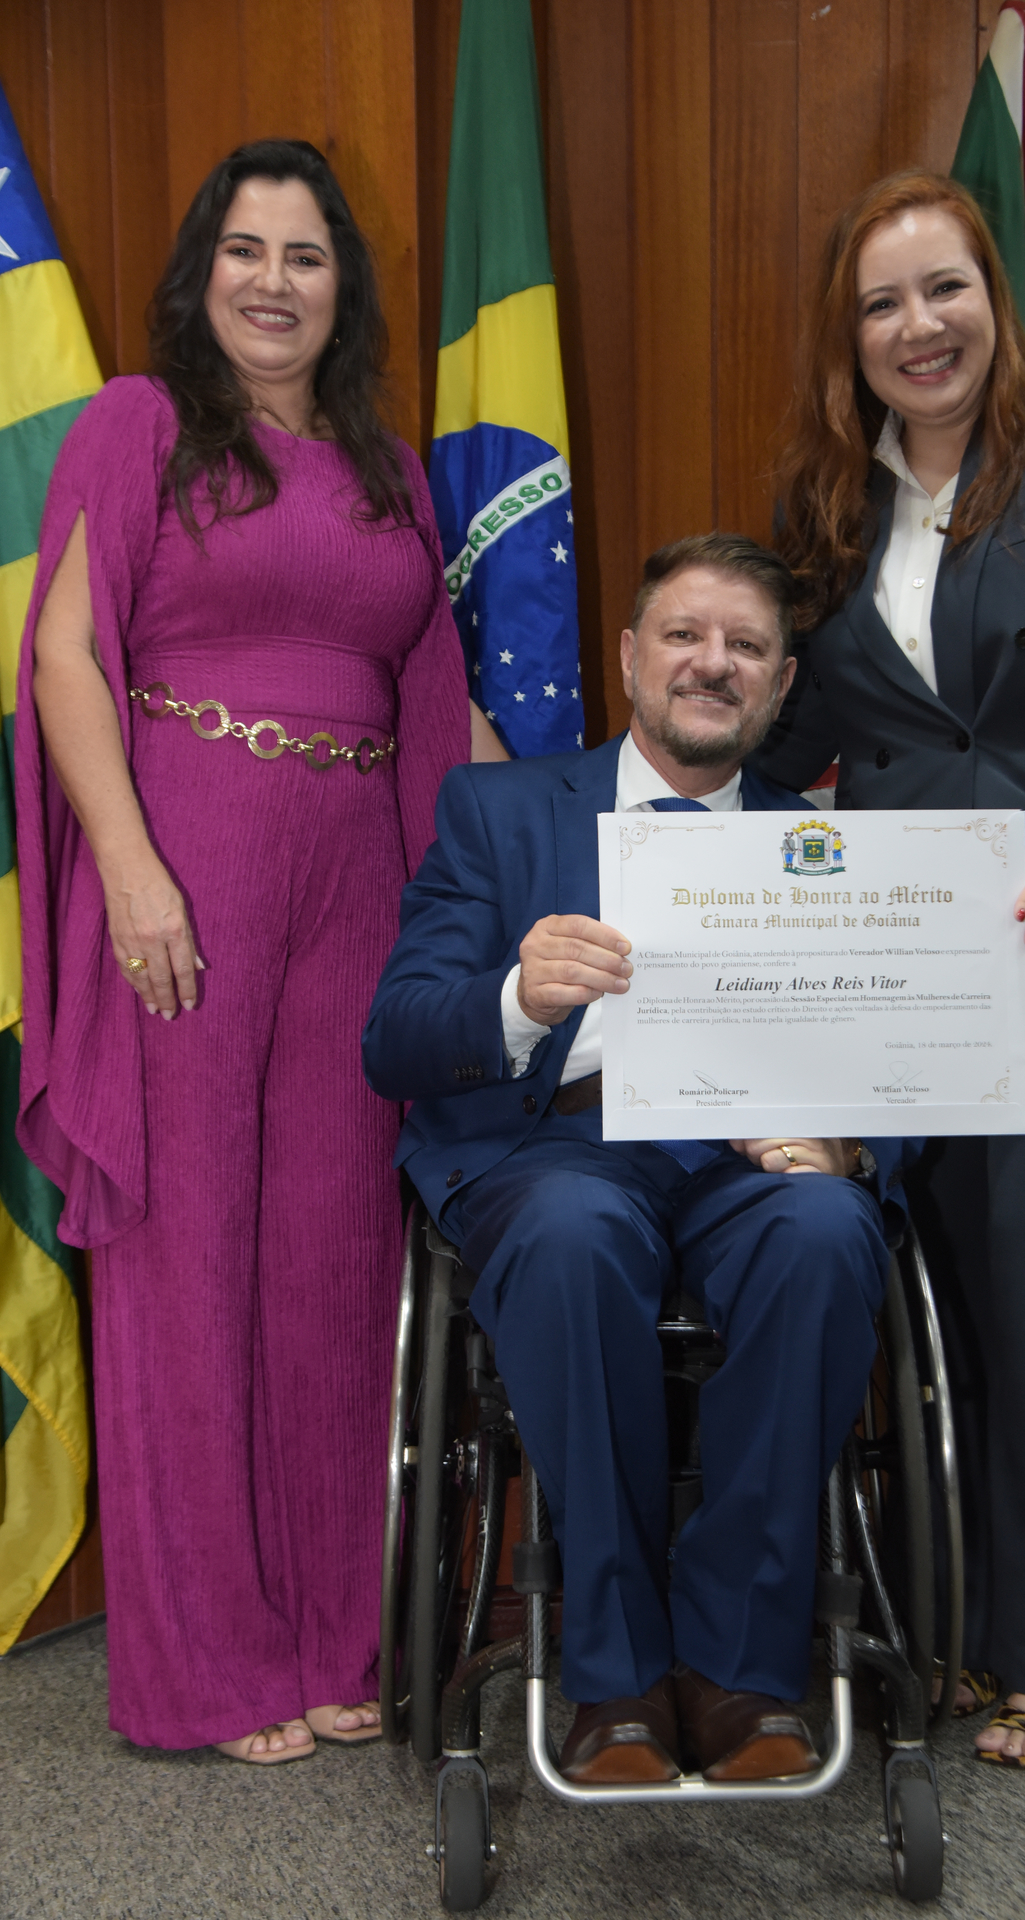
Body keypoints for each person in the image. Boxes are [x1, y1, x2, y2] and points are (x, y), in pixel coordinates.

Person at [16, 139, 502, 1763]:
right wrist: (132, 870)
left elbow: (438, 703)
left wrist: (606, 826)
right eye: (245, 249)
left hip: (360, 883)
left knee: (334, 1265)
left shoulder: (388, 466)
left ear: (341, 286)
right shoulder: (138, 424)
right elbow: (66, 658)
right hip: (189, 869)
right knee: (188, 1261)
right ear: (201, 271)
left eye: (305, 254)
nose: (274, 281)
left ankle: (337, 1634)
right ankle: (208, 1666)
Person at [755, 170, 1025, 1768]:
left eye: (941, 287)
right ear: (849, 336)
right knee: (945, 1278)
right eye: (880, 303)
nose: (916, 325)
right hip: (914, 945)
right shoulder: (832, 502)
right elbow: (801, 725)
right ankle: (971, 1620)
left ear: (990, 300)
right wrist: (638, 798)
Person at [363, 534, 892, 1783]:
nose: (713, 663)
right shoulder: (495, 811)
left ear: (779, 683)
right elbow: (395, 1039)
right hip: (555, 1148)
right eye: (684, 635)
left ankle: (739, 1666)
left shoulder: (825, 845)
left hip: (748, 1161)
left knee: (828, 1232)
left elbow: (902, 1052)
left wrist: (851, 1140)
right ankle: (613, 1674)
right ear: (629, 656)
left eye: (746, 647)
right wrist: (517, 996)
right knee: (570, 1232)